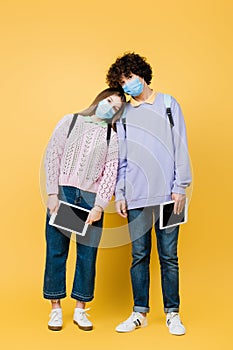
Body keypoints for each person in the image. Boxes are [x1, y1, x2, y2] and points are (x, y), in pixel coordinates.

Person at [106, 52, 192, 335]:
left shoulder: (169, 104)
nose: (127, 84)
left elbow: (180, 146)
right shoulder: (126, 114)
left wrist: (181, 186)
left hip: (169, 196)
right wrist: (120, 192)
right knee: (139, 255)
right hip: (136, 196)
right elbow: (123, 155)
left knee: (169, 256)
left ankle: (172, 313)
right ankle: (139, 312)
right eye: (122, 81)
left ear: (141, 73)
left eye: (129, 77)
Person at [43, 88, 126, 331]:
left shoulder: (112, 137)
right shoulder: (70, 121)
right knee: (56, 251)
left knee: (87, 256)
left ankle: (81, 309)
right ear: (99, 98)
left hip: (90, 200)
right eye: (108, 101)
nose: (109, 107)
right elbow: (52, 155)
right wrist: (52, 193)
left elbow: (110, 173)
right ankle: (55, 308)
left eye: (115, 108)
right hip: (65, 193)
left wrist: (100, 205)